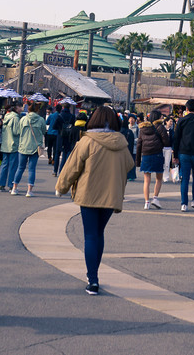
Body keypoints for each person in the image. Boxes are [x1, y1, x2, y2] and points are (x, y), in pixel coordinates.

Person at [55, 105, 134, 295]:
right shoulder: (122, 143)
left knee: (90, 235)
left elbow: (71, 167)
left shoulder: (87, 141)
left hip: (89, 193)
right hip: (111, 195)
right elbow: (129, 165)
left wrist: (61, 187)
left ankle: (93, 280)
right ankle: (94, 275)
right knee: (99, 234)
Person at [136, 110, 170, 209]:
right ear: (158, 117)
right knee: (159, 178)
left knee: (146, 180)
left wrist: (138, 161)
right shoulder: (160, 127)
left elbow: (139, 145)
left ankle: (146, 202)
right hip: (157, 154)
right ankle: (155, 198)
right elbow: (166, 142)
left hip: (146, 155)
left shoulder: (143, 128)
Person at [13, 104, 47, 197]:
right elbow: (44, 131)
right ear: (37, 110)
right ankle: (29, 191)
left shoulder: (23, 119)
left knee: (20, 168)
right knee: (32, 169)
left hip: (23, 146)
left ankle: (14, 188)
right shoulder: (41, 120)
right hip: (35, 147)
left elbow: (18, 131)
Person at [0, 104, 21, 193]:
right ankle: (11, 185)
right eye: (20, 106)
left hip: (5, 144)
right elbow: (16, 132)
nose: (21, 108)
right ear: (16, 108)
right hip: (13, 144)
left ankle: (0, 184)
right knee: (13, 166)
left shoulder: (6, 117)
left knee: (4, 165)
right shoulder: (15, 118)